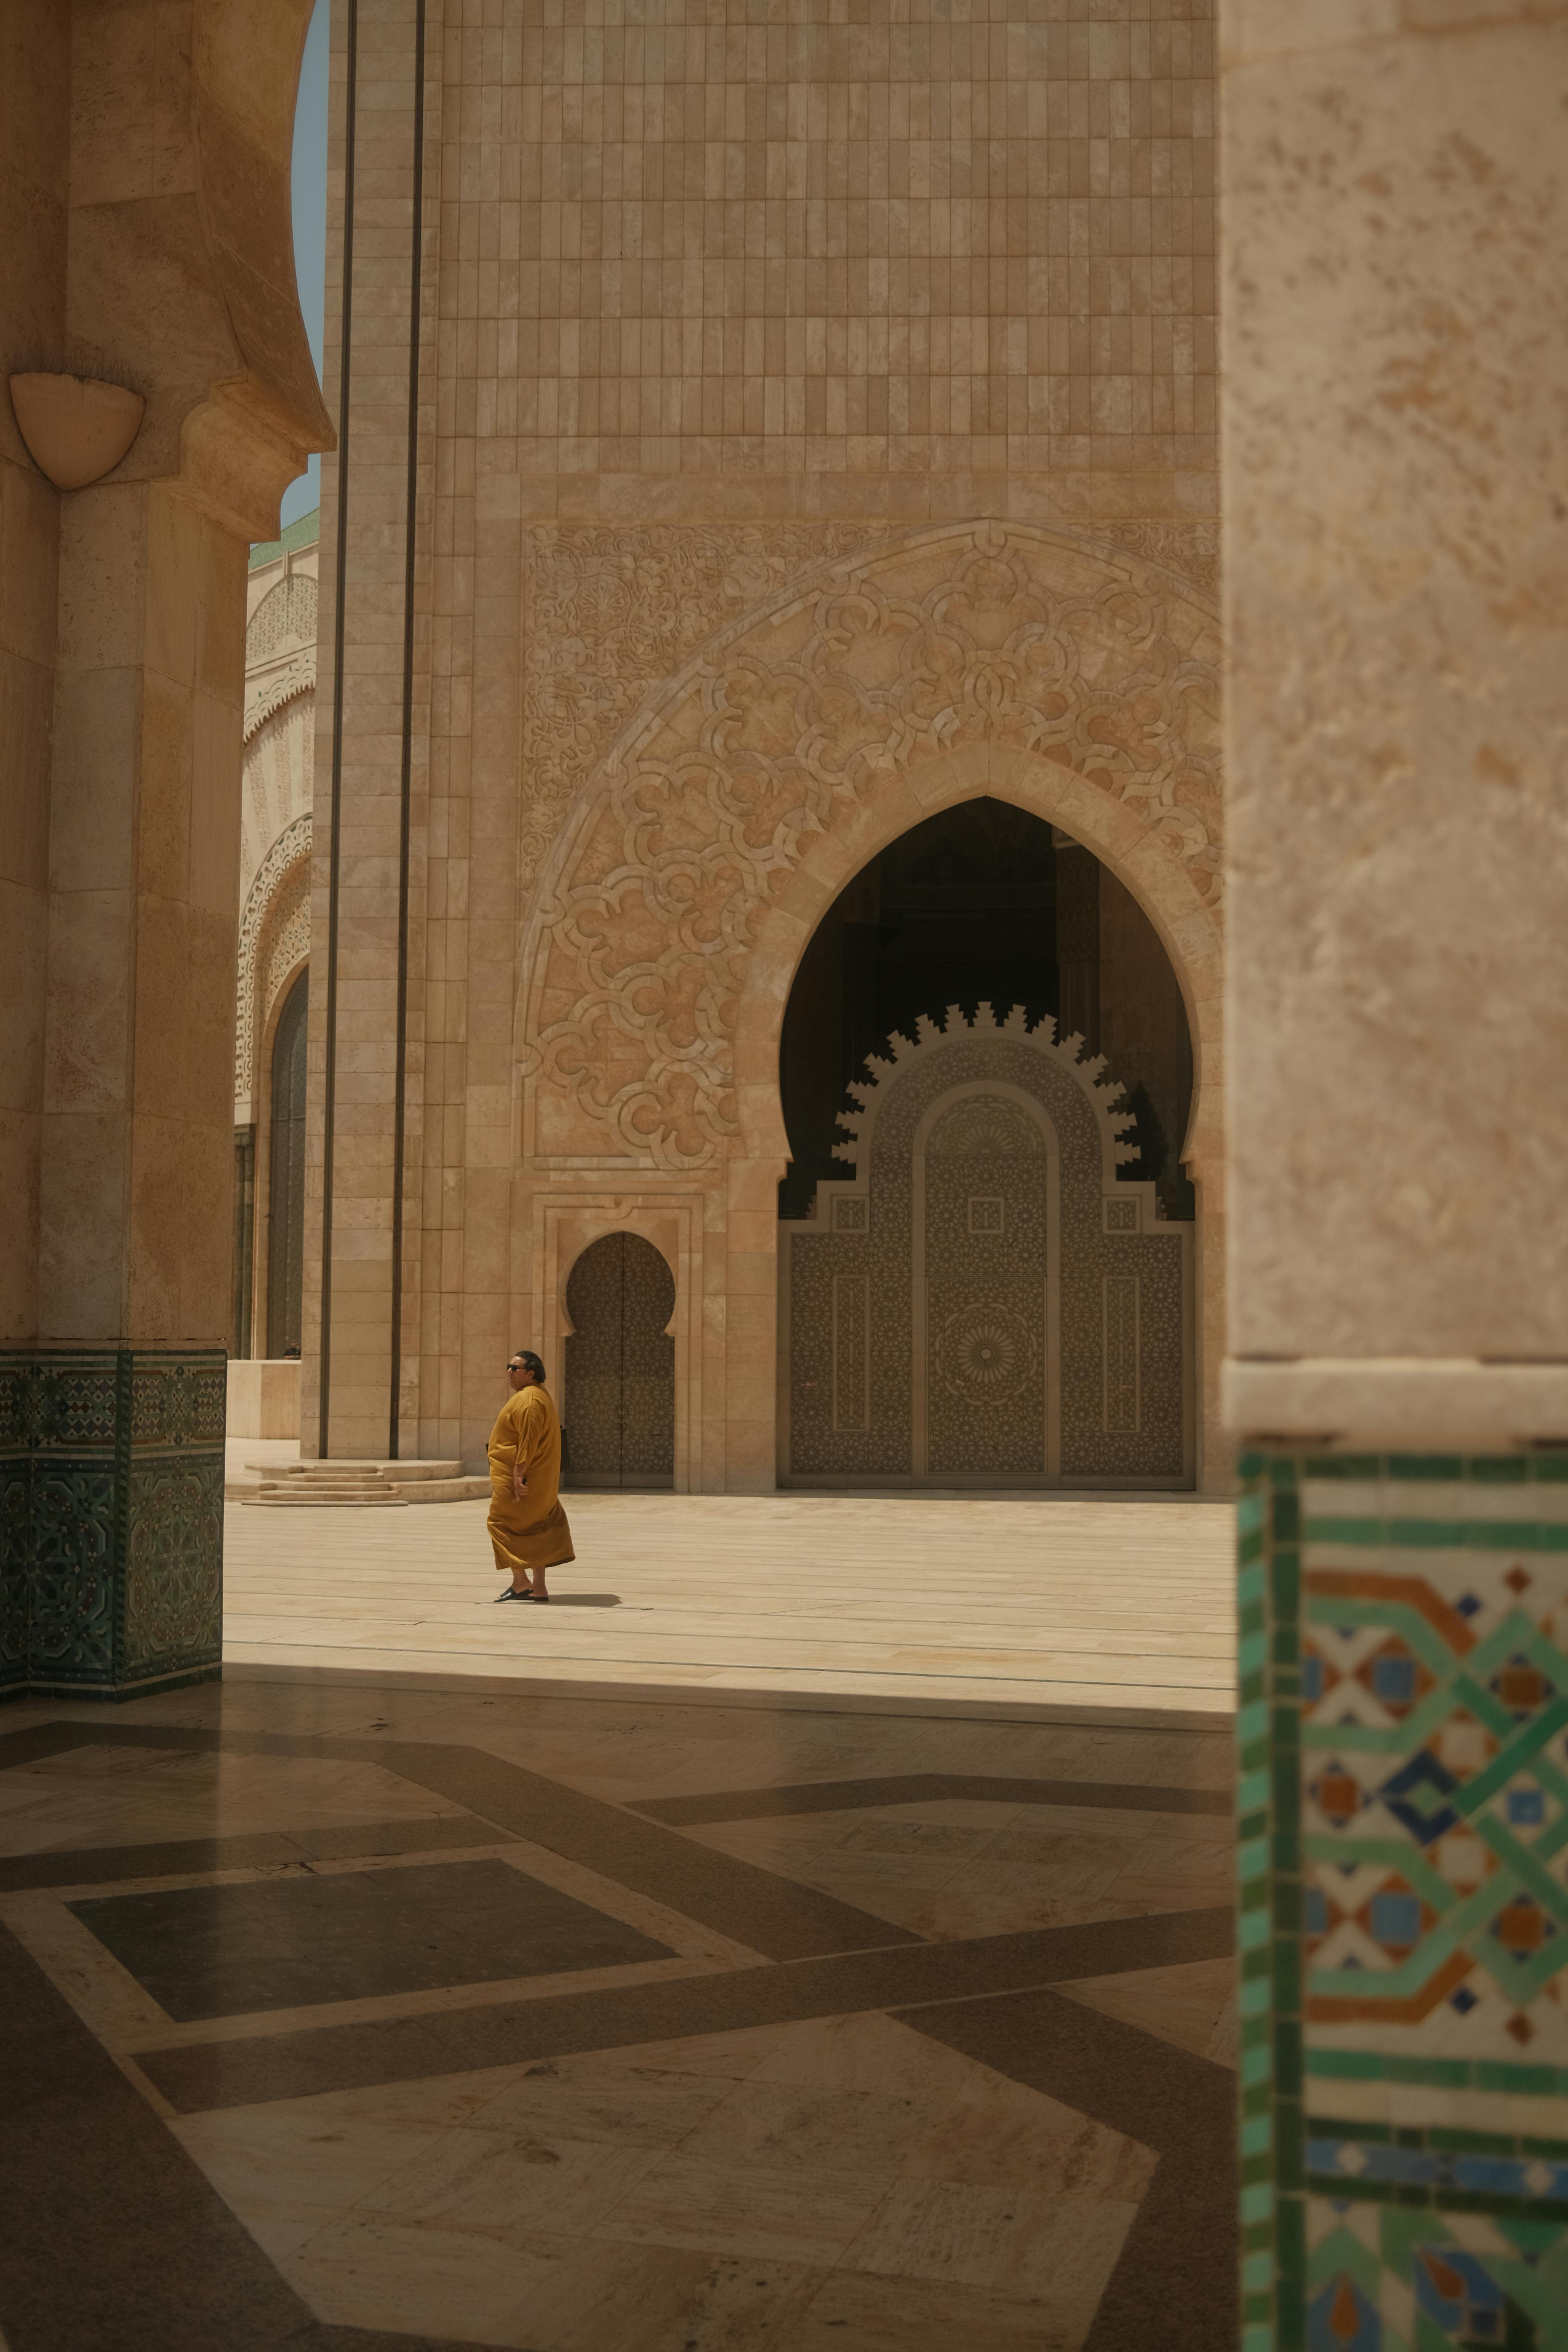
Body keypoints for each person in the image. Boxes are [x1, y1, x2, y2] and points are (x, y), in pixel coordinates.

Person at [487, 1350, 574, 1603]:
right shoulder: (537, 1396)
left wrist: (518, 1475)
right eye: (509, 1367)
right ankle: (538, 1587)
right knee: (537, 1529)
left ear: (531, 1373)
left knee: (500, 1523)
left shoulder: (530, 1400)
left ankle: (521, 1582)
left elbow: (528, 1439)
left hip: (522, 1479)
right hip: (537, 1479)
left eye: (515, 1369)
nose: (509, 1373)